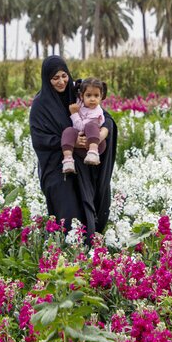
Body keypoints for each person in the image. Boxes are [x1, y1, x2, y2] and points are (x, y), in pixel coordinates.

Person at [29, 56, 117, 242]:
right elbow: (40, 139)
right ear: (47, 79)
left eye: (64, 76)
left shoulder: (77, 93)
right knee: (69, 216)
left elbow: (105, 117)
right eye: (55, 78)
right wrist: (71, 142)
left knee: (87, 215)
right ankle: (67, 252)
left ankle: (87, 251)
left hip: (84, 164)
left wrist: (101, 134)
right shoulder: (40, 105)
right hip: (57, 167)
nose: (61, 81)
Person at [61, 77, 107, 173]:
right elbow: (74, 85)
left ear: (101, 96)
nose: (92, 99)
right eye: (88, 95)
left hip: (94, 144)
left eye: (96, 95)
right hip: (79, 145)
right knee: (68, 131)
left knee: (90, 126)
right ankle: (68, 160)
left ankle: (93, 153)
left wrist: (74, 114)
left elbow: (81, 128)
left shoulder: (97, 112)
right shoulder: (81, 103)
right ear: (81, 96)